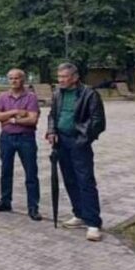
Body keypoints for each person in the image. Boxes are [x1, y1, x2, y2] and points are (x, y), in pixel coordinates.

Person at [46, 62, 106, 241]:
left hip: (79, 142)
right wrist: (51, 131)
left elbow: (98, 121)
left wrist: (83, 139)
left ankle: (93, 223)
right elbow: (52, 115)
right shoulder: (58, 93)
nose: (60, 80)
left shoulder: (89, 94)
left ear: (75, 77)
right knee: (70, 180)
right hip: (61, 142)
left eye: (64, 77)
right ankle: (79, 214)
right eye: (59, 76)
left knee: (85, 181)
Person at [0, 69, 42, 221]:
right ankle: (5, 201)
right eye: (11, 78)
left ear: (23, 80)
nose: (13, 81)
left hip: (26, 138)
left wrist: (11, 120)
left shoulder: (31, 97)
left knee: (31, 173)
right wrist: (16, 111)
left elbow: (32, 119)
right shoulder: (3, 96)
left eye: (16, 78)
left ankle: (33, 207)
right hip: (6, 138)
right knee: (6, 171)